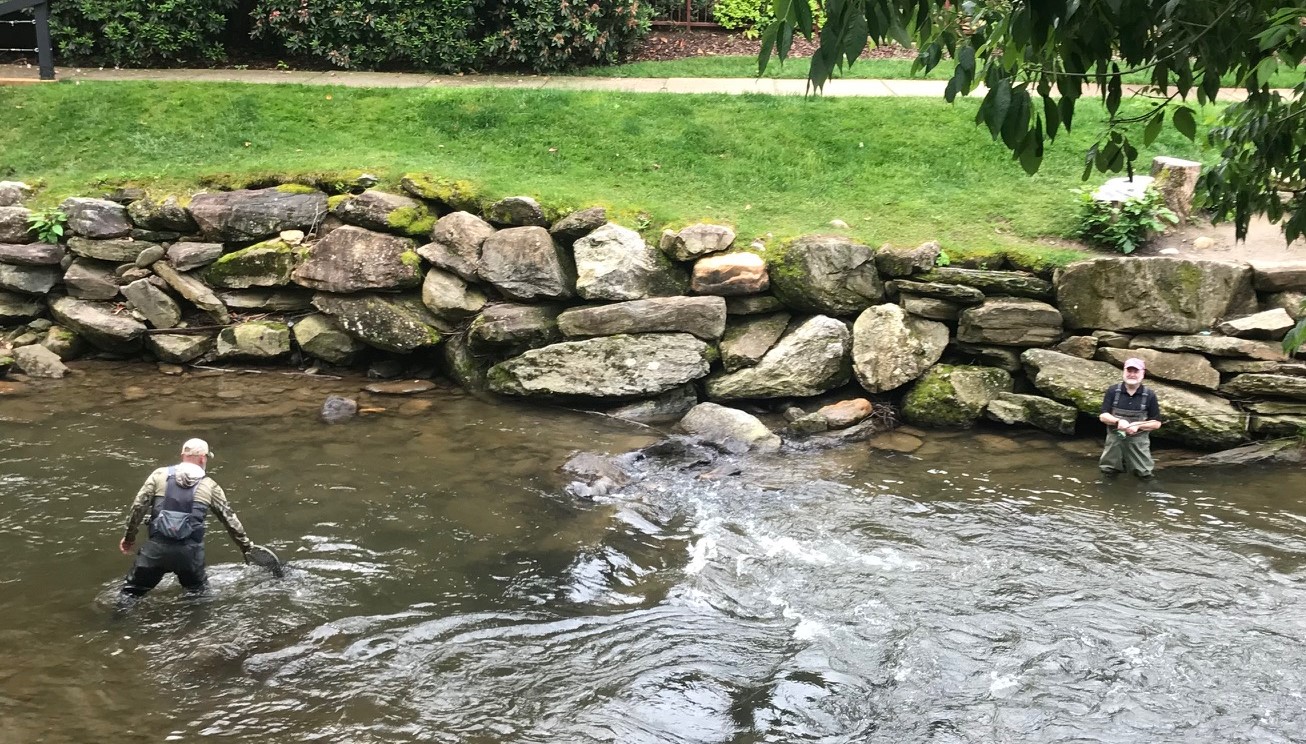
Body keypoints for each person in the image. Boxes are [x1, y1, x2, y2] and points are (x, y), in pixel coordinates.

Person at [118, 438, 253, 598]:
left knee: (129, 595)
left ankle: (115, 621)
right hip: (189, 556)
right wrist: (246, 548)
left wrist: (129, 538)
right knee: (199, 598)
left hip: (155, 551)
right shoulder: (210, 486)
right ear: (203, 457)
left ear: (183, 455)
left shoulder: (159, 475)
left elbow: (138, 508)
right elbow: (229, 520)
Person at [1098, 358, 1163, 478]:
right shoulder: (1113, 391)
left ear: (1142, 374)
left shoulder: (1149, 395)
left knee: (1144, 475)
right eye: (1129, 371)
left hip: (1138, 444)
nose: (1132, 374)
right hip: (1114, 442)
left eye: (1136, 371)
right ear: (1124, 372)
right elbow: (1103, 416)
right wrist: (1118, 421)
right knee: (1108, 472)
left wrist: (1138, 425)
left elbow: (1156, 423)